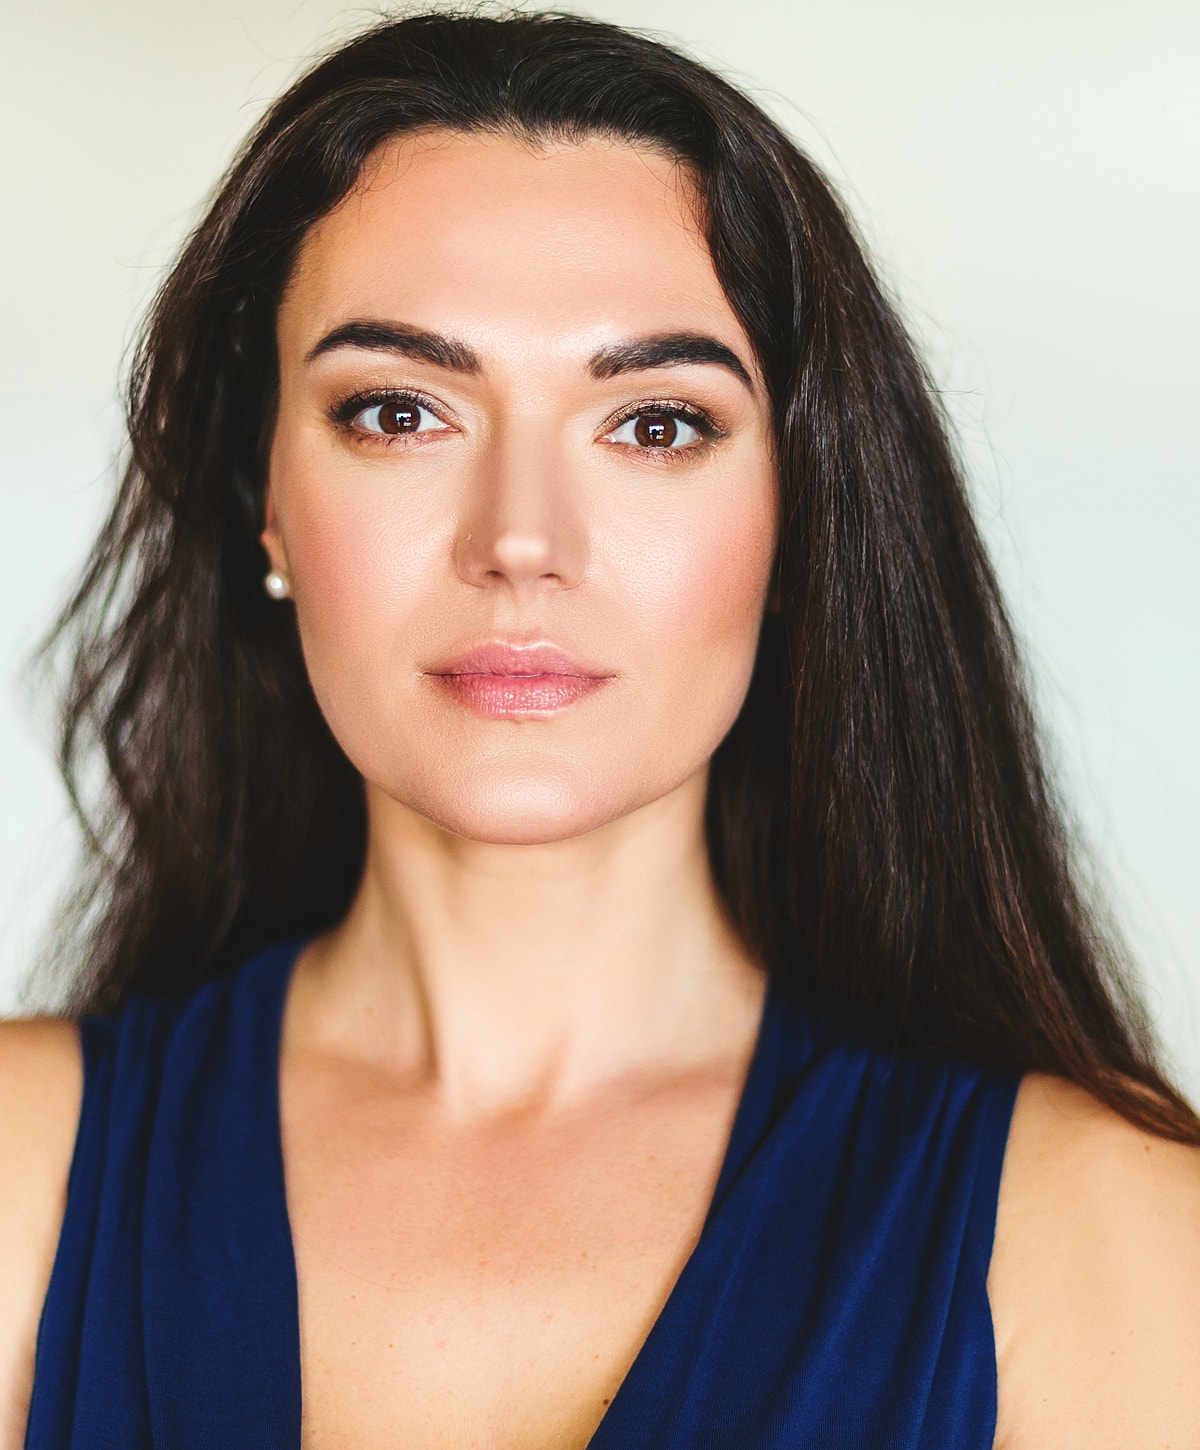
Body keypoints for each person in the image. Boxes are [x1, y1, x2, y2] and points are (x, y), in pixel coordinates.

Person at [1, 9, 1198, 1447]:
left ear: (799, 517)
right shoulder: (20, 1177)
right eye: (397, 410)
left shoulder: (1110, 1239)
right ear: (264, 497)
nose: (521, 539)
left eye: (654, 424)